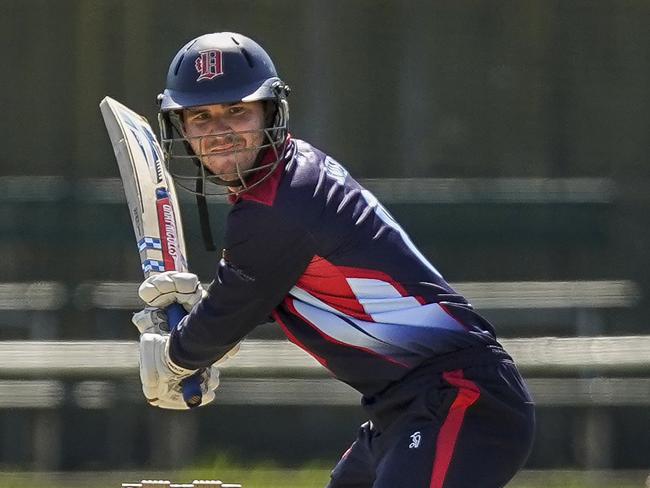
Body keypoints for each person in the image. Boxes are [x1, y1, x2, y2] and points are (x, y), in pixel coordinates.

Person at [133, 32, 535, 488]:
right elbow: (259, 298)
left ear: (271, 111)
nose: (219, 132)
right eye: (201, 116)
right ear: (180, 126)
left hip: (460, 400)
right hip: (402, 410)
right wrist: (203, 323)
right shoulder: (289, 177)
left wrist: (175, 355)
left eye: (237, 111)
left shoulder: (279, 204)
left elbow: (232, 311)